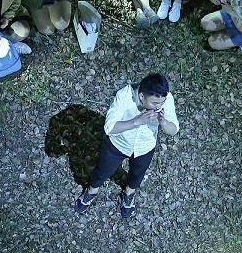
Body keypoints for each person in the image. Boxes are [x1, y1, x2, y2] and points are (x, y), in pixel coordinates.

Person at [73, 73, 179, 220]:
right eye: (155, 103)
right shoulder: (124, 96)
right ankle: (92, 190)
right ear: (141, 96)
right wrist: (136, 121)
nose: (159, 106)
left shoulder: (165, 98)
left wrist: (164, 123)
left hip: (145, 147)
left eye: (162, 102)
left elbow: (174, 130)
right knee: (102, 171)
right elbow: (109, 128)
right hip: (118, 145)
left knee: (137, 174)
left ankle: (129, 193)